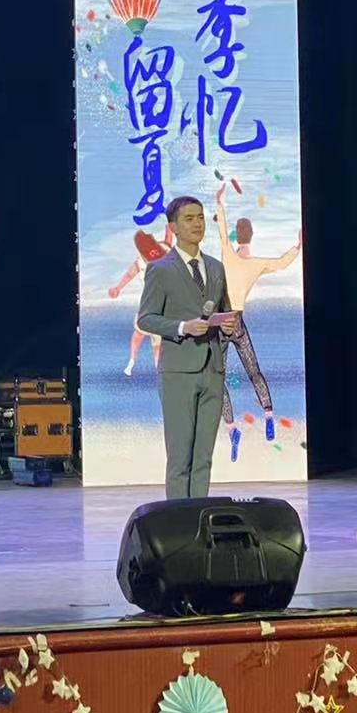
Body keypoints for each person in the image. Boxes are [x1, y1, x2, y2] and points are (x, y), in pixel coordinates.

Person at [135, 195, 237, 499]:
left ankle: (200, 515)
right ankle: (179, 521)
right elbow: (146, 318)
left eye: (200, 217)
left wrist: (228, 326)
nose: (197, 223)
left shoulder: (215, 267)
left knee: (203, 457)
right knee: (180, 457)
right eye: (189, 218)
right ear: (173, 227)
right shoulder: (160, 269)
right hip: (178, 371)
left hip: (213, 368)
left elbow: (222, 310)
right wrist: (182, 327)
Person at [213, 187, 302, 437]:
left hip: (222, 321)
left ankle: (231, 427)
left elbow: (222, 230)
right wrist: (298, 246)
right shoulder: (256, 264)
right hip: (237, 322)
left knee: (218, 378)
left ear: (237, 235)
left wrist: (219, 202)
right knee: (254, 371)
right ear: (251, 236)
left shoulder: (228, 254)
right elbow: (281, 263)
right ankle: (269, 414)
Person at [108, 228, 172, 376]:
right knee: (139, 334)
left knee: (156, 343)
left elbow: (168, 239)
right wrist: (118, 288)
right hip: (149, 305)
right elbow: (129, 275)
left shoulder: (165, 253)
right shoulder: (141, 262)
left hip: (162, 307)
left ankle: (159, 371)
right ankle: (132, 360)